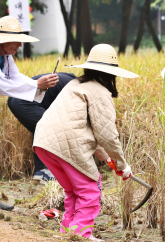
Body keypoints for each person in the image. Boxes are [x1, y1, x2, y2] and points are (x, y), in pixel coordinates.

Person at [33, 44, 139, 241]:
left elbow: (87, 132)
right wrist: (123, 165)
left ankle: (68, 232)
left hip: (43, 143)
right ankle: (80, 235)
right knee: (90, 191)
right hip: (67, 144)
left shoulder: (75, 84)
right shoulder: (99, 92)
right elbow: (107, 136)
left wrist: (109, 160)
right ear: (111, 73)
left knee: (73, 190)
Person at [0, 15, 59, 184]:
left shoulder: (5, 56)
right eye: (15, 40)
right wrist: (36, 86)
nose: (19, 45)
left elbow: (15, 78)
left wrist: (38, 85)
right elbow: (2, 85)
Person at [8, 72, 77, 183]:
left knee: (42, 129)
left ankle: (41, 172)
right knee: (54, 127)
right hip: (22, 102)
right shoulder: (77, 89)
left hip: (14, 100)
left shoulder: (69, 80)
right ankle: (51, 172)